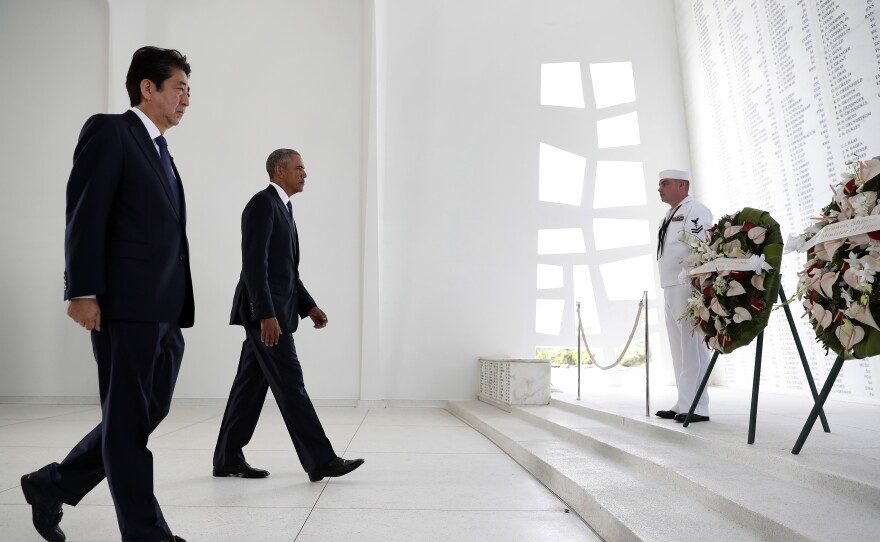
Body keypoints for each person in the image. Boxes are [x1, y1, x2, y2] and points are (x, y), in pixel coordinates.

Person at [20, 47, 193, 542]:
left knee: (142, 414)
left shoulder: (162, 151)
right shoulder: (111, 131)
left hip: (164, 310)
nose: (186, 98)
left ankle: (51, 483)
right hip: (124, 307)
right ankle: (147, 534)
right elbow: (86, 212)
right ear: (148, 87)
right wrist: (84, 290)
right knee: (128, 425)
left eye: (188, 90)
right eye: (179, 86)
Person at [212, 149, 364, 483]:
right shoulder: (262, 204)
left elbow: (286, 271)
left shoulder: (284, 208)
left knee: (248, 388)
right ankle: (321, 460)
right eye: (299, 168)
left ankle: (227, 458)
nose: (305, 174)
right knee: (291, 385)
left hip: (277, 312)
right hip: (268, 317)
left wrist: (308, 305)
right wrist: (266, 313)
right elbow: (255, 265)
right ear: (279, 171)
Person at [655, 169, 713, 423]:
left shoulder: (695, 210)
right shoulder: (668, 215)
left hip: (687, 284)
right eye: (659, 184)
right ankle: (684, 401)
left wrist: (695, 279)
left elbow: (700, 245)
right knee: (679, 347)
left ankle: (698, 406)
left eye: (664, 183)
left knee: (692, 347)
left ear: (682, 185)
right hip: (670, 285)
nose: (660, 188)